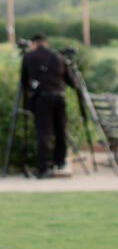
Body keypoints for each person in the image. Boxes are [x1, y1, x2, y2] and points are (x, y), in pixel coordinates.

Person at [20, 33, 75, 178]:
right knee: (60, 130)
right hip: (59, 97)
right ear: (45, 42)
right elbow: (71, 81)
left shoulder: (29, 57)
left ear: (34, 43)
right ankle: (60, 161)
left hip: (42, 99)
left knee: (43, 133)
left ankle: (42, 166)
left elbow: (23, 81)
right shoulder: (58, 56)